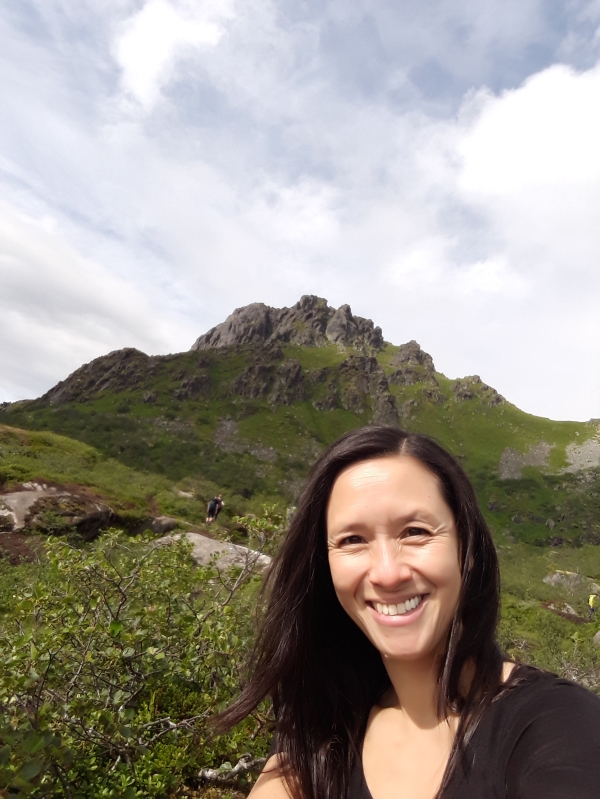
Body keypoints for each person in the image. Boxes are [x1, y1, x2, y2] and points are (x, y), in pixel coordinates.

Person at [217, 426, 600, 799]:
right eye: (353, 540)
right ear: (325, 567)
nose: (387, 573)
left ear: (466, 550)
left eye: (415, 532)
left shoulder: (558, 723)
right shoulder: (318, 728)